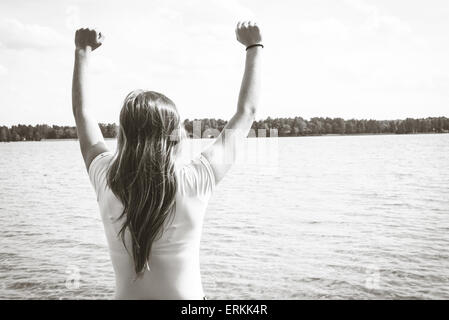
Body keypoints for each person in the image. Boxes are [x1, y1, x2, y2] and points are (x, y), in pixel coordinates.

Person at [71, 21, 263, 299]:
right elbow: (246, 112)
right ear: (175, 137)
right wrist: (253, 46)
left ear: (122, 133)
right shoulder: (195, 180)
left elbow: (82, 113)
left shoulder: (105, 178)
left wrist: (82, 51)